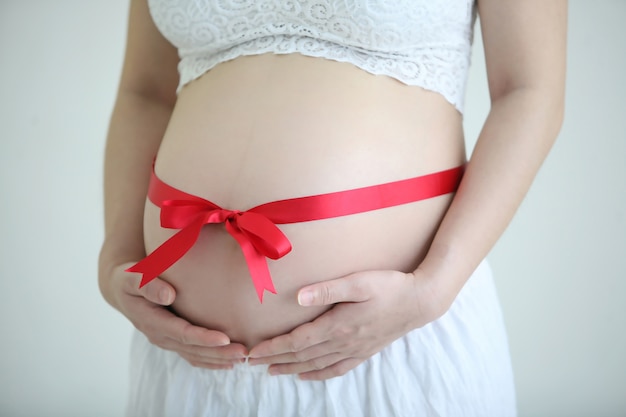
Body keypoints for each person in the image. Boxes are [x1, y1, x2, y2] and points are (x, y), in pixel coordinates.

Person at [98, 0, 566, 416]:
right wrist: (115, 258)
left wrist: (431, 291)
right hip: (191, 367)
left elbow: (529, 90)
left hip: (390, 348)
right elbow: (144, 92)